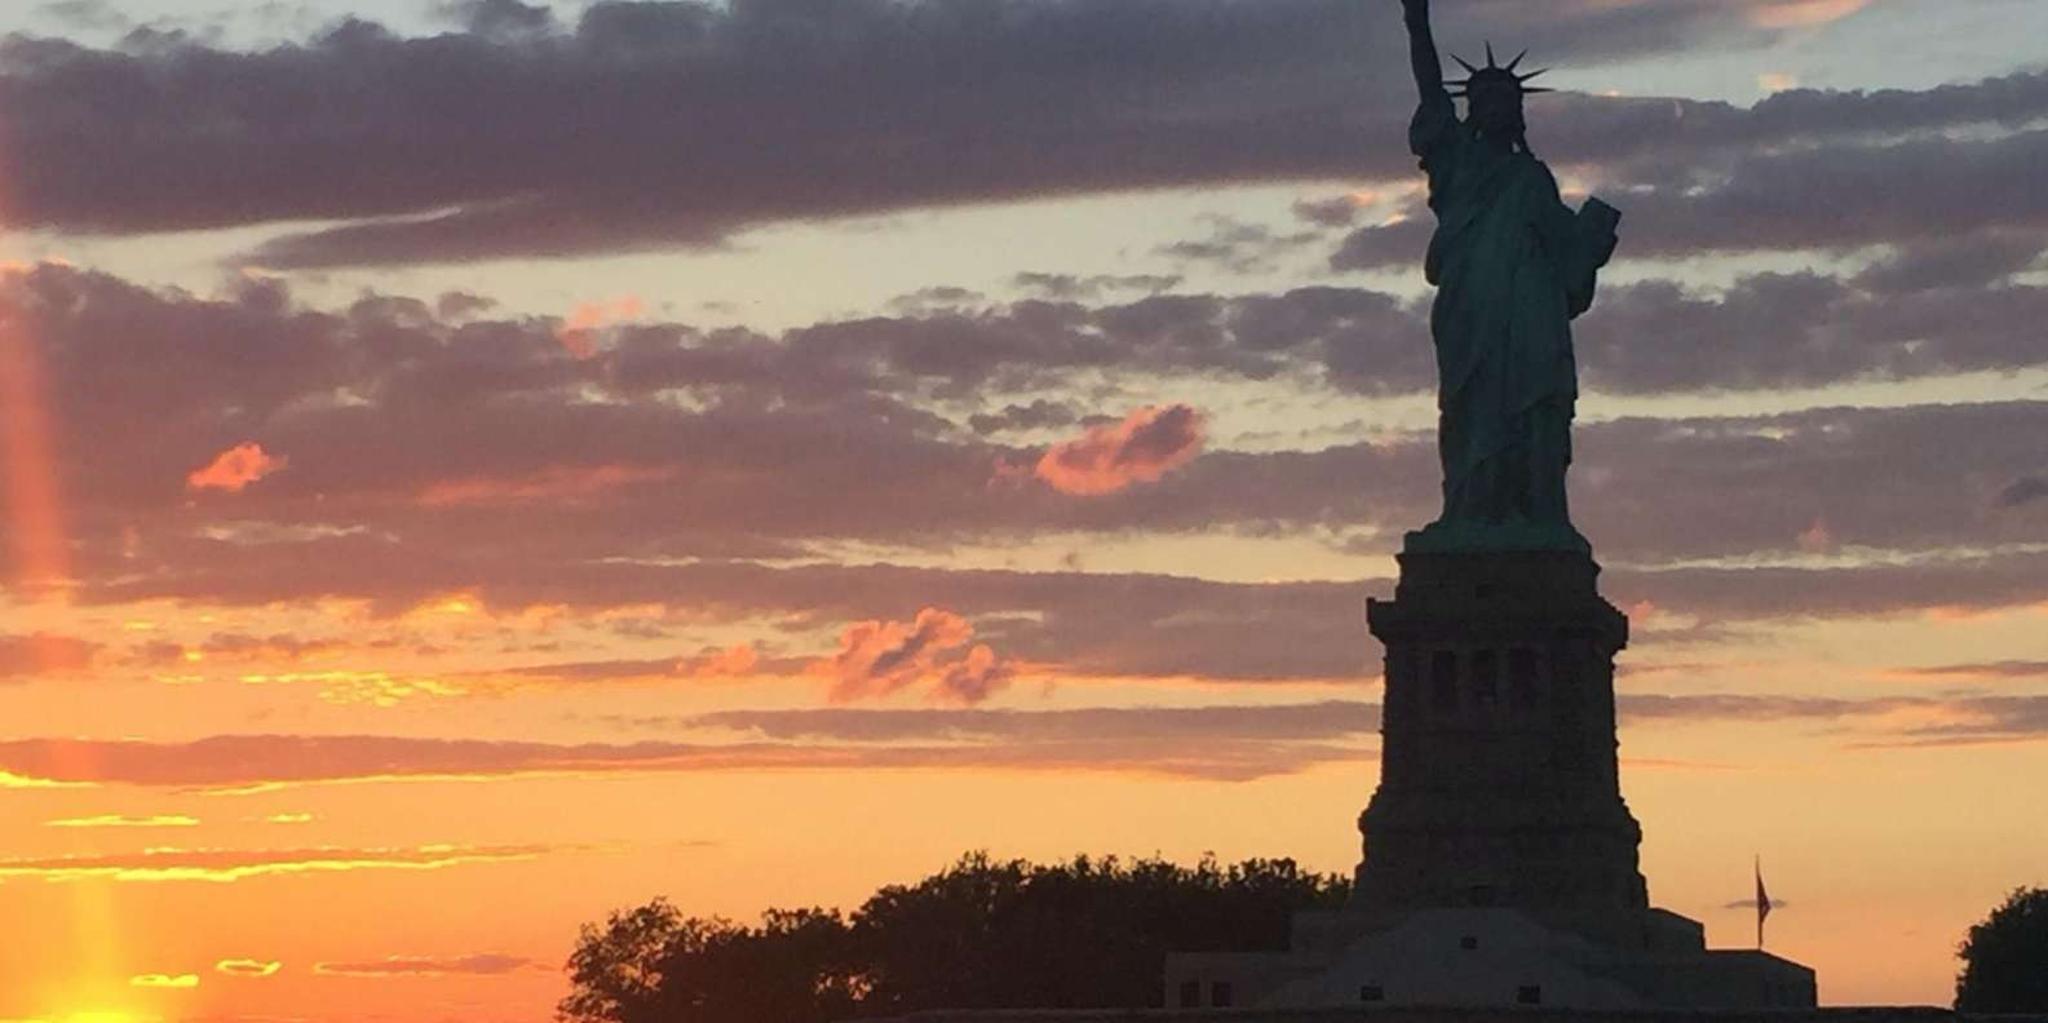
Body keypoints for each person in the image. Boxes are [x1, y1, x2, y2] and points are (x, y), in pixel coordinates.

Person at [1397, 0, 1619, 553]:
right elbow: (1430, 90)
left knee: (1537, 405)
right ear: (1471, 109)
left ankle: (1535, 512)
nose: (1497, 107)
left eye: (1507, 100)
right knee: (1471, 405)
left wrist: (1594, 235)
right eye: (1485, 99)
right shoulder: (1454, 160)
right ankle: (1469, 509)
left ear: (1518, 112)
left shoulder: (1532, 176)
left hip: (1533, 309)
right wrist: (1417, 21)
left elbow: (1568, 253)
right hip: (1471, 305)